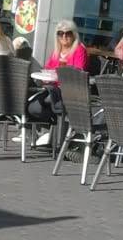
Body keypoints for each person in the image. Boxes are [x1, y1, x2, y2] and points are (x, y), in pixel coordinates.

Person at [27, 19, 88, 147]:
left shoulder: (79, 49)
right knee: (33, 106)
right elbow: (48, 67)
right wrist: (48, 75)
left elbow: (78, 71)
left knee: (45, 102)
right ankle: (50, 129)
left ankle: (52, 133)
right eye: (61, 33)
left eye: (68, 33)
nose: (64, 36)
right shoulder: (57, 51)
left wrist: (58, 73)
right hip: (52, 88)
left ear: (74, 34)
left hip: (69, 91)